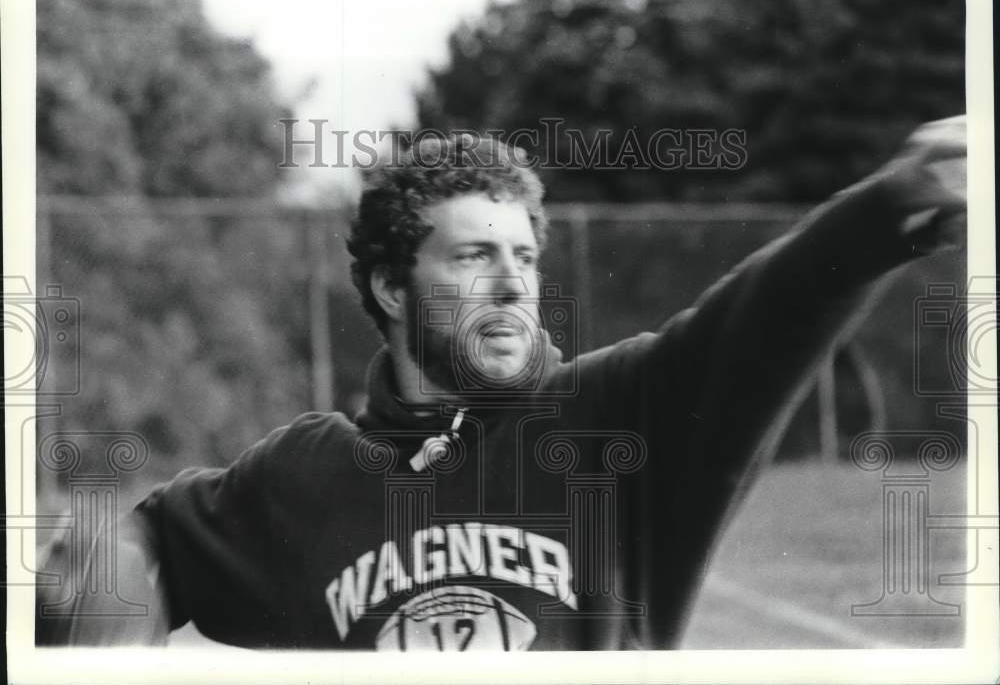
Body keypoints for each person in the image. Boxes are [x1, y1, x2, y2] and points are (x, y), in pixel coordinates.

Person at [36, 117, 967, 650]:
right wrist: (100, 589)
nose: (517, 279)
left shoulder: (617, 418)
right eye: (477, 254)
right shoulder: (297, 476)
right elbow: (145, 539)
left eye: (524, 254)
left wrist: (887, 212)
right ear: (392, 287)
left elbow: (761, 320)